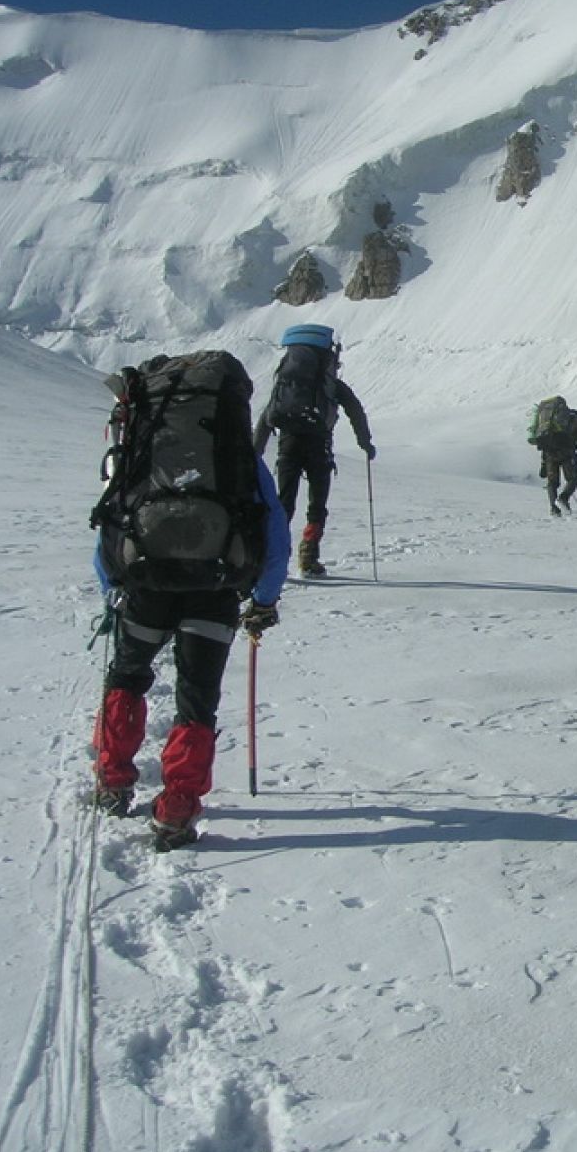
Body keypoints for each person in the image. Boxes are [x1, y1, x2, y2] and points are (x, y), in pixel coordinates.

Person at [89, 351, 290, 851]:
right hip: (216, 590)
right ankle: (176, 811)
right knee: (197, 700)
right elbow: (275, 533)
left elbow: (113, 514)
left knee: (126, 678)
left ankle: (113, 782)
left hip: (145, 585)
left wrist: (111, 584)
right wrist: (263, 600)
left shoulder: (143, 446)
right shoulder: (238, 459)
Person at [252, 324, 373, 576]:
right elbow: (355, 410)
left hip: (288, 445)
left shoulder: (287, 385)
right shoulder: (331, 386)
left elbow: (267, 417)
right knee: (317, 504)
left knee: (284, 503)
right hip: (319, 445)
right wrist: (365, 442)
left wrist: (255, 452)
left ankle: (274, 558)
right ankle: (308, 556)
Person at [529, 396, 577, 515]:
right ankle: (563, 499)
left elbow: (545, 443)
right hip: (567, 452)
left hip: (549, 454)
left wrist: (543, 464)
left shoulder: (547, 424)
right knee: (573, 479)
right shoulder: (574, 419)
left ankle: (554, 509)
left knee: (552, 483)